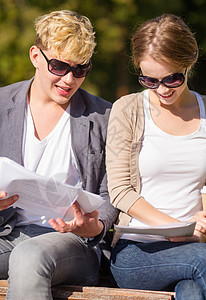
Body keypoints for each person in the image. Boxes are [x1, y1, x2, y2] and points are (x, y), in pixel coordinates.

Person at [0, 10, 118, 300]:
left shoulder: (104, 116)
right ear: (35, 57)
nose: (69, 79)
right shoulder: (2, 105)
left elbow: (112, 191)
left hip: (72, 243)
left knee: (29, 257)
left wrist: (94, 225)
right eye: (59, 66)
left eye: (80, 70)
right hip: (7, 232)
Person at [106, 14, 206, 300]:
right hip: (137, 251)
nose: (162, 90)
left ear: (190, 62)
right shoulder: (127, 110)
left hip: (196, 245)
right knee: (201, 260)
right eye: (150, 79)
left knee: (191, 290)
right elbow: (121, 191)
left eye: (173, 78)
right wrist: (176, 228)